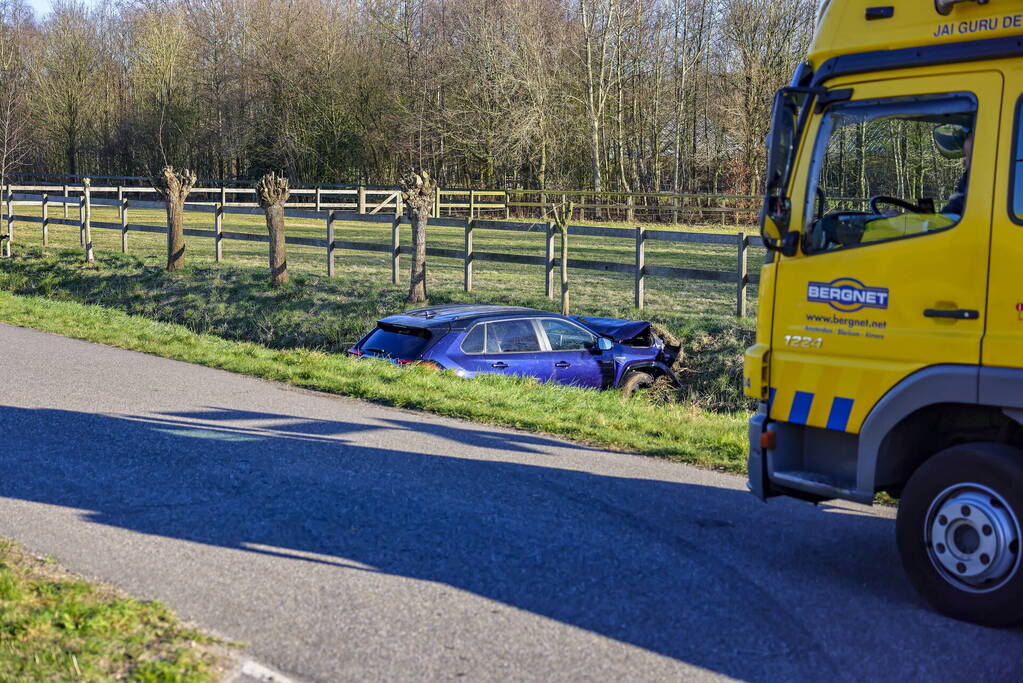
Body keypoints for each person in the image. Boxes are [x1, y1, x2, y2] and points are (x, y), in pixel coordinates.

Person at [933, 123, 972, 215]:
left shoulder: (982, 178)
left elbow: (955, 212)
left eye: (965, 138)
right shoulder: (970, 177)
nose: (963, 147)